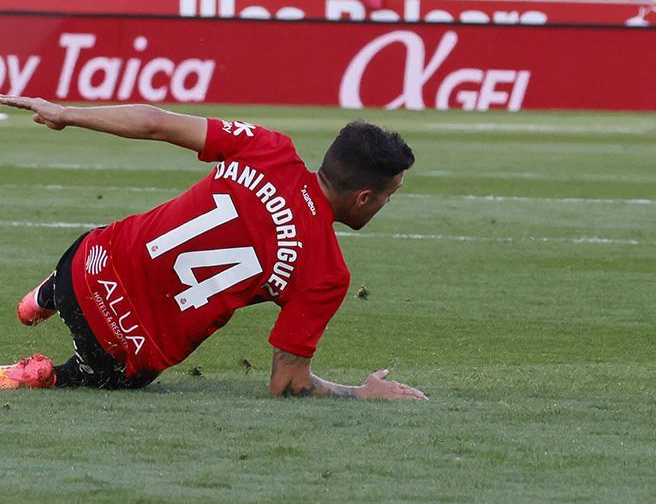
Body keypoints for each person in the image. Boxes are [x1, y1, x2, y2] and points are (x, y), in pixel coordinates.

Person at [0, 96, 429, 402]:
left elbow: (155, 122)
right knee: (85, 376)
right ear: (363, 197)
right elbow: (289, 384)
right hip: (125, 350)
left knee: (105, 244)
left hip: (86, 264)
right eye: (388, 196)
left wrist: (67, 114)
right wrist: (362, 392)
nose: (385, 204)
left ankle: (45, 297)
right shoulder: (328, 273)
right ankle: (42, 375)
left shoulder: (269, 147)